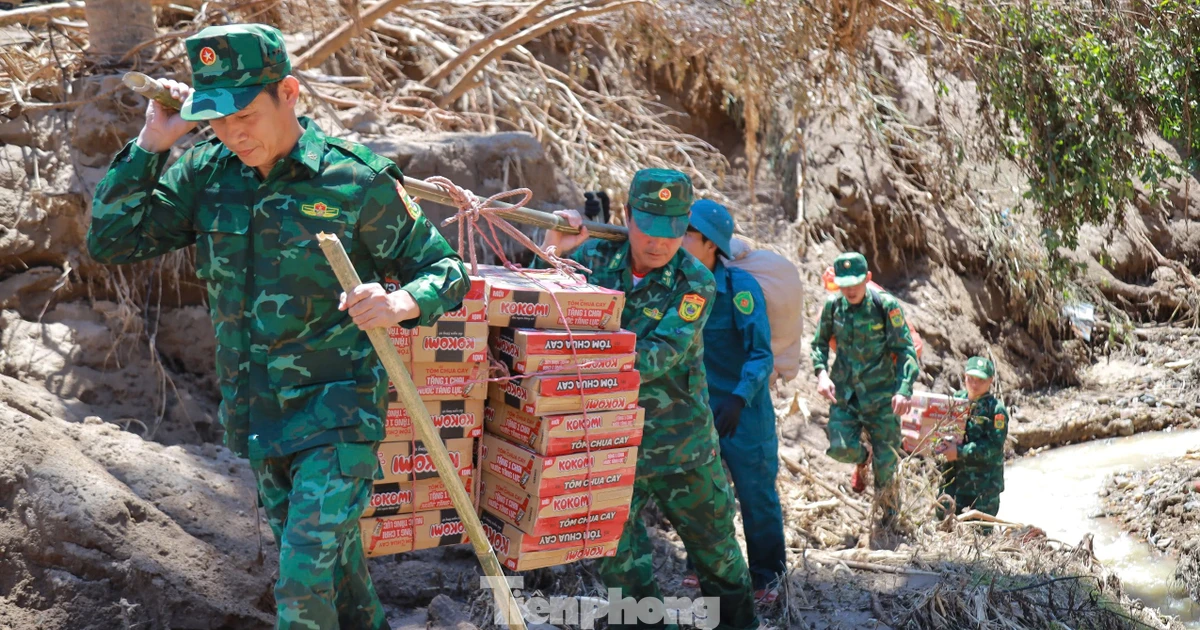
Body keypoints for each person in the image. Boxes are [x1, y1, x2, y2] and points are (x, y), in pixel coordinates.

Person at [87, 24, 469, 629]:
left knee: (301, 584)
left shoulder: (356, 180)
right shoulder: (206, 174)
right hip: (258, 413)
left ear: (288, 92)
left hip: (339, 412)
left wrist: (398, 302)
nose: (233, 133)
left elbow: (446, 270)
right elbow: (112, 240)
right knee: (337, 577)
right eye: (216, 119)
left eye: (245, 114)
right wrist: (151, 144)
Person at [542, 170, 759, 629]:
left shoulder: (695, 281)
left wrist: (574, 359)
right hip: (610, 443)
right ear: (627, 215)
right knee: (618, 563)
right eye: (649, 229)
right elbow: (537, 304)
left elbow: (657, 356)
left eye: (672, 231)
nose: (659, 243)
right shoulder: (594, 257)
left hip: (682, 448)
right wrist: (555, 249)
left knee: (718, 559)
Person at [680, 200, 786, 604]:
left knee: (756, 496)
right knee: (700, 492)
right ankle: (701, 568)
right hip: (699, 410)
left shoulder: (741, 289)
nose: (677, 239)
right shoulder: (678, 285)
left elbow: (761, 355)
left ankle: (767, 578)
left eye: (687, 234)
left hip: (745, 414)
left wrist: (739, 399)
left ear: (710, 244)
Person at [810, 252, 918, 526]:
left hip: (883, 397)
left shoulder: (885, 305)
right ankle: (863, 456)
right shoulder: (833, 306)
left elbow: (905, 350)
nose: (850, 290)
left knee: (887, 467)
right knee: (839, 448)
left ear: (868, 278)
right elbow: (818, 344)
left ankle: (890, 524)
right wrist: (821, 374)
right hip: (846, 395)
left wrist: (904, 389)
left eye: (856, 283)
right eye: (844, 284)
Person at [938, 356, 1008, 520]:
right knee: (944, 525)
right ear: (965, 377)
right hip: (953, 482)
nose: (974, 384)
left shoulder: (995, 410)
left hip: (983, 487)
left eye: (980, 380)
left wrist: (960, 451)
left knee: (979, 530)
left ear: (990, 380)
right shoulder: (955, 401)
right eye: (971, 379)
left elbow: (993, 447)